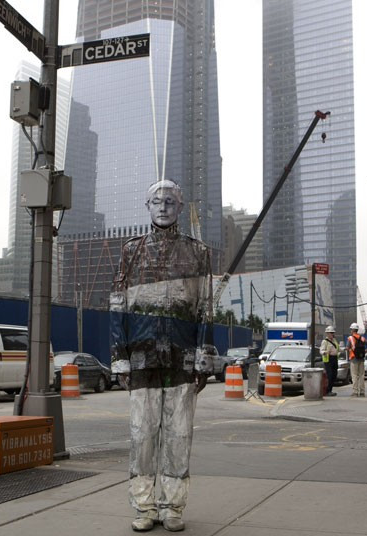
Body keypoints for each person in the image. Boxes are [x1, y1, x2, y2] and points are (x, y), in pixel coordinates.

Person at [109, 179, 215, 533]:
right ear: (148, 206)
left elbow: (205, 308)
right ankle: (143, 505)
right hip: (141, 358)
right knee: (142, 436)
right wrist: (119, 357)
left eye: (170, 201)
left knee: (179, 434)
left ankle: (173, 506)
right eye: (157, 201)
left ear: (180, 207)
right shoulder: (131, 250)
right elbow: (117, 305)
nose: (164, 206)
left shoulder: (198, 253)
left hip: (182, 359)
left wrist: (203, 356)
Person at [347, 323, 367, 397]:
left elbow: (348, 348)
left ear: (352, 330)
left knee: (354, 376)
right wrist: (365, 352)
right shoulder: (362, 338)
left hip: (354, 359)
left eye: (351, 329)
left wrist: (349, 350)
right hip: (361, 359)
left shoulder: (350, 338)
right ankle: (362, 392)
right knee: (361, 375)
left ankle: (355, 392)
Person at [320, 326, 341, 396]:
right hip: (328, 360)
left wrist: (343, 350)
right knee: (330, 375)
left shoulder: (335, 341)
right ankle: (328, 391)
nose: (332, 334)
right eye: (331, 333)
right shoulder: (325, 342)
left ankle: (330, 390)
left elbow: (338, 349)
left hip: (335, 359)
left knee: (334, 375)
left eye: (333, 333)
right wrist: (325, 352)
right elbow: (321, 351)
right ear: (327, 334)